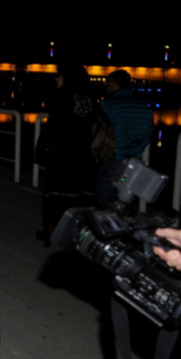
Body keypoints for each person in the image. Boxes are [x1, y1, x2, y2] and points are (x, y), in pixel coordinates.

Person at [34, 63, 96, 245]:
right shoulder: (88, 100)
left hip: (62, 156)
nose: (56, 79)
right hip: (84, 156)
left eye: (59, 76)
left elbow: (53, 128)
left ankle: (52, 231)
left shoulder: (63, 97)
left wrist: (41, 150)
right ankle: (78, 234)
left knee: (56, 196)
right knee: (77, 197)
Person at [97, 70, 154, 207]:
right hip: (134, 162)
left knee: (106, 201)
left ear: (113, 84)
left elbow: (98, 134)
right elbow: (147, 135)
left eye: (107, 83)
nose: (106, 86)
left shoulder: (106, 105)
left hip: (112, 161)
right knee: (125, 200)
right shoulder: (144, 108)